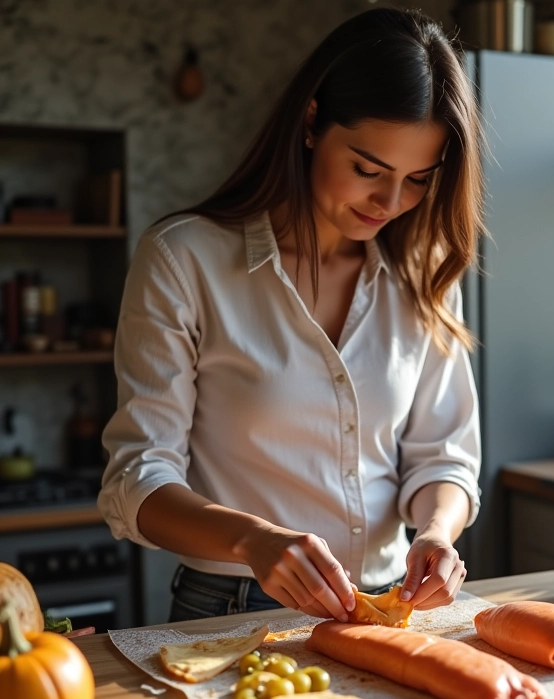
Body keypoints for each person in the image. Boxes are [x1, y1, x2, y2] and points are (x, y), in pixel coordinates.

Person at [98, 7, 485, 624]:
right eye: (368, 169)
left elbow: (443, 455)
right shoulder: (183, 259)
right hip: (232, 607)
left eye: (417, 179)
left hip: (390, 606)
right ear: (311, 122)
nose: (390, 203)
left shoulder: (425, 270)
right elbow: (137, 479)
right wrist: (255, 541)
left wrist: (438, 532)